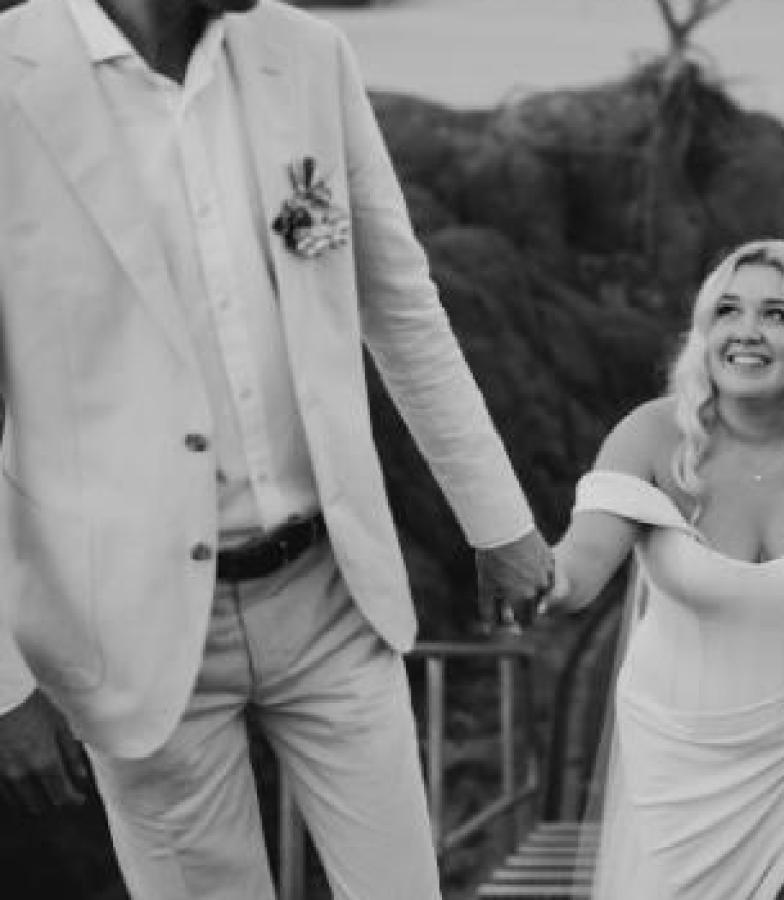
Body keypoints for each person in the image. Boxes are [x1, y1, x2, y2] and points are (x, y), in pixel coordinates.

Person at [0, 0, 552, 897]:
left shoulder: (308, 54)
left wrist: (498, 522)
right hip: (132, 625)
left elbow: (400, 304)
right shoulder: (9, 75)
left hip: (334, 593)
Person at [542, 239, 784, 899]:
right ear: (705, 331)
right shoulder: (648, 436)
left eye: (777, 315)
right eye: (728, 310)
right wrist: (538, 580)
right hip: (679, 755)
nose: (747, 332)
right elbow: (581, 565)